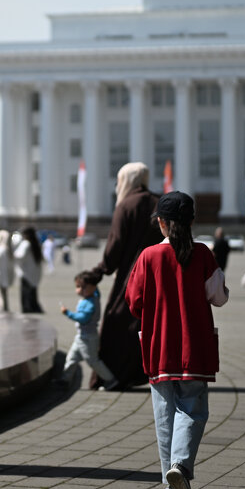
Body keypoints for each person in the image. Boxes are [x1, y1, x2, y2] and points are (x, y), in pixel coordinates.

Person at [127, 191, 228, 489]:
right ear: (192, 222)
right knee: (193, 409)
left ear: (161, 223)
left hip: (158, 347)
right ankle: (180, 467)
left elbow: (134, 301)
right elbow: (220, 296)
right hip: (193, 347)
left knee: (164, 415)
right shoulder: (202, 253)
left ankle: (170, 482)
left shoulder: (148, 257)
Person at [90, 162, 162, 390]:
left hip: (131, 278)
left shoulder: (125, 205)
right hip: (159, 277)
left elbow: (115, 246)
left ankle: (113, 376)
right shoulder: (158, 203)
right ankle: (147, 373)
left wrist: (101, 270)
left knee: (116, 322)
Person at [58, 269, 120, 390]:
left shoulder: (91, 302)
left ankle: (111, 380)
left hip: (88, 338)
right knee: (72, 357)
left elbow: (83, 318)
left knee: (93, 361)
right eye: (77, 287)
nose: (79, 290)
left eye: (83, 287)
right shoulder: (92, 296)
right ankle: (65, 379)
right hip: (81, 336)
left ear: (93, 287)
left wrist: (67, 313)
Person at [14, 226, 43, 313]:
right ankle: (34, 307)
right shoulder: (36, 244)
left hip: (25, 272)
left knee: (25, 292)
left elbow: (19, 256)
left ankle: (27, 308)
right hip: (34, 273)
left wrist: (12, 254)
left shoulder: (26, 243)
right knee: (32, 291)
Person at [0, 229, 14, 312]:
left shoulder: (0, 250)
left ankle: (2, 307)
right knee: (4, 292)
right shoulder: (7, 249)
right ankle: (5, 307)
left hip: (0, 274)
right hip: (6, 274)